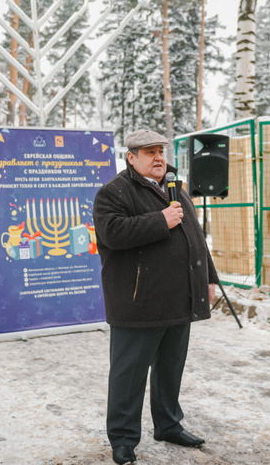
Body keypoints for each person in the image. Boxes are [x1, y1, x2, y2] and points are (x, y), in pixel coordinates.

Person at [93, 129, 219, 465]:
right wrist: (160, 220)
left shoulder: (175, 189)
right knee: (129, 375)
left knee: (169, 369)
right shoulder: (113, 192)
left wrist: (208, 277)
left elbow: (195, 237)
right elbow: (112, 233)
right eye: (149, 152)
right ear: (131, 158)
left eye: (161, 151)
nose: (159, 157)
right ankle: (123, 439)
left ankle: (168, 425)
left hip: (179, 298)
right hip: (138, 302)